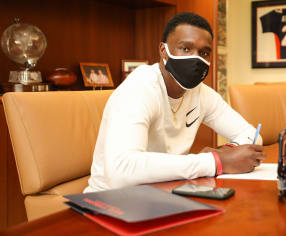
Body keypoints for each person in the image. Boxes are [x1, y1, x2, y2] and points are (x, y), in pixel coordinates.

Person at [84, 12, 266, 193]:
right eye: (185, 49)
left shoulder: (201, 93)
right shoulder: (140, 87)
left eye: (203, 52)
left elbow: (251, 134)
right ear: (163, 50)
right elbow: (122, 170)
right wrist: (216, 162)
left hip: (165, 194)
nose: (196, 59)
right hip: (109, 202)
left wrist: (225, 153)